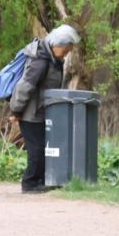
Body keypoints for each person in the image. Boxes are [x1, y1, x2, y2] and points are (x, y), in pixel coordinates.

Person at [8, 24, 81, 193]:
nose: (67, 53)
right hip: (30, 113)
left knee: (43, 148)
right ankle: (29, 183)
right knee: (37, 149)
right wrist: (16, 111)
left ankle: (41, 181)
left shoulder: (53, 60)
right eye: (66, 49)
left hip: (42, 112)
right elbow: (24, 87)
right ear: (58, 44)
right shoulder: (40, 61)